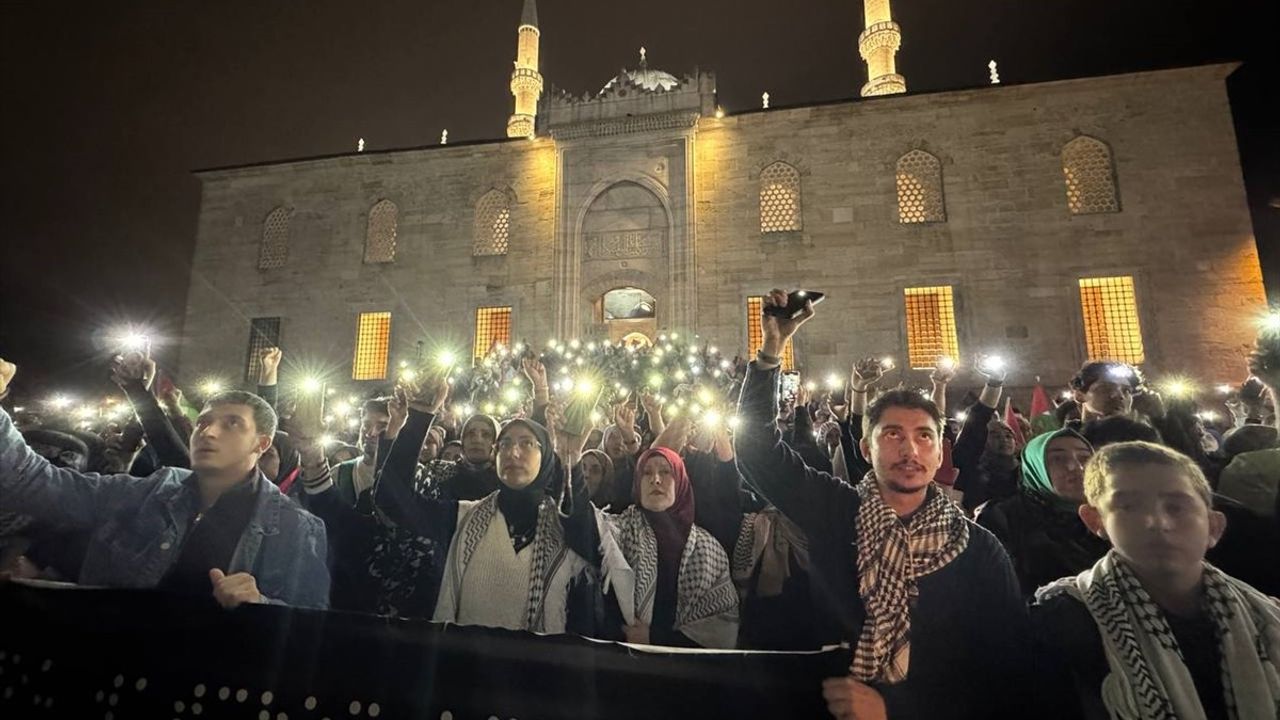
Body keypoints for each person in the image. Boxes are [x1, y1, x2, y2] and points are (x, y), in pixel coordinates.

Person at [733, 291, 1029, 720]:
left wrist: (896, 708)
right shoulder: (837, 511)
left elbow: (1004, 672)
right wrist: (771, 350)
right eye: (892, 434)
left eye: (924, 436)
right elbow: (758, 451)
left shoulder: (978, 551)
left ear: (940, 452)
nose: (909, 448)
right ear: (866, 449)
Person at [0, 357, 329, 609]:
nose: (209, 432)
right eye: (203, 423)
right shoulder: (146, 492)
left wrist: (262, 608)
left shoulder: (294, 527)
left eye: (232, 424)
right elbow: (34, 483)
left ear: (261, 444)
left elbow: (310, 627)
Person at [1031, 442, 1280, 719]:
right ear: (1095, 520)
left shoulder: (1266, 617)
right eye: (1128, 506)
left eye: (1176, 507)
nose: (1155, 521)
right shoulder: (1060, 626)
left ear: (1214, 527)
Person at [369, 376, 600, 634]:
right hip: (469, 667)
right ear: (495, 455)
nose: (514, 453)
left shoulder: (565, 528)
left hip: (542, 670)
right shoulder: (464, 518)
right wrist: (420, 417)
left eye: (526, 444)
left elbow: (587, 537)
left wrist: (569, 458)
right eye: (505, 444)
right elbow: (392, 503)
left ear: (545, 457)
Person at [598, 446, 739, 648]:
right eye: (646, 473)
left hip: (683, 671)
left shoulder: (706, 548)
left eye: (666, 472)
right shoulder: (615, 532)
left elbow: (720, 626)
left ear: (681, 481)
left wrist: (656, 638)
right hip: (619, 663)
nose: (655, 479)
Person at [977, 428, 1109, 596]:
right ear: (1035, 466)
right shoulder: (1003, 518)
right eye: (1058, 459)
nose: (1076, 467)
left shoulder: (1112, 513)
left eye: (1085, 458)